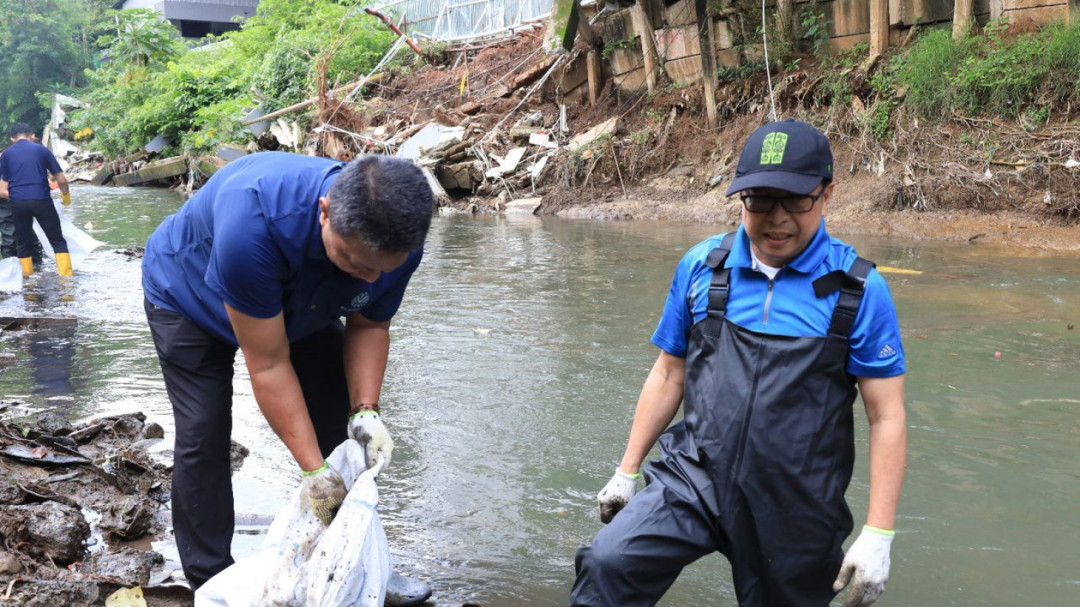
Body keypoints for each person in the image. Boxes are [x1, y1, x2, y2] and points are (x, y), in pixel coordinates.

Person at [570, 119, 907, 607]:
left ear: (827, 194)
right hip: (696, 476)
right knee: (608, 565)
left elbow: (887, 415)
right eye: (760, 200)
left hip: (796, 503)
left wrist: (879, 531)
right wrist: (628, 469)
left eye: (796, 201)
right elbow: (669, 372)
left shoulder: (858, 291)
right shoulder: (703, 266)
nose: (777, 219)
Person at [141, 152, 435, 605]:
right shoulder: (253, 222)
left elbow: (370, 325)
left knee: (342, 425)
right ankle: (213, 581)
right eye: (356, 262)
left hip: (299, 302)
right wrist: (314, 471)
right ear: (325, 212)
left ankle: (359, 562)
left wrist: (366, 411)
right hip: (188, 297)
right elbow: (269, 364)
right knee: (205, 431)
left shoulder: (399, 237)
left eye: (384, 268)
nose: (371, 278)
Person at [0, 122, 72, 276]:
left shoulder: (6, 154)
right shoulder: (42, 150)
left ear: (12, 139)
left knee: (23, 244)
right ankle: (66, 282)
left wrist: (19, 196)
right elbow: (62, 180)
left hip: (19, 204)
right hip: (41, 200)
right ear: (31, 136)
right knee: (57, 241)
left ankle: (28, 282)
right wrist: (66, 196)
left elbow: (2, 190)